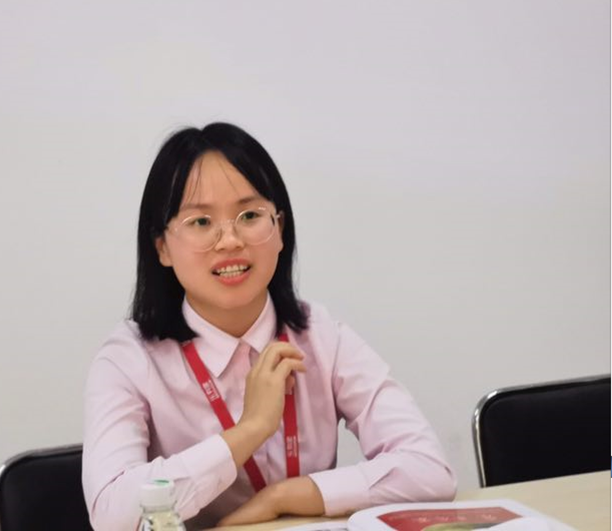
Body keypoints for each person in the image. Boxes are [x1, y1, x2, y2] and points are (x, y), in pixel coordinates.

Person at [82, 122, 457, 530]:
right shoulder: (129, 359)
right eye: (201, 222)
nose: (230, 240)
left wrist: (282, 499)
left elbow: (431, 470)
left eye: (249, 215)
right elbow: (111, 515)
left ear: (279, 229)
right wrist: (250, 429)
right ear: (162, 248)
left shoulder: (320, 335)